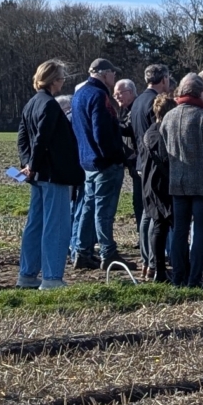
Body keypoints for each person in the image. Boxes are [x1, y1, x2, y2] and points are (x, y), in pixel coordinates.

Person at [17, 61, 85, 289]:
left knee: (34, 224)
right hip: (53, 174)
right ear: (54, 80)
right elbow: (42, 140)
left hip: (37, 176)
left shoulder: (31, 104)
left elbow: (23, 138)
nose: (64, 81)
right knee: (56, 226)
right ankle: (52, 277)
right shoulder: (50, 105)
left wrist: (27, 165)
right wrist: (34, 165)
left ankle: (27, 275)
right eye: (62, 77)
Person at [159, 73, 203, 286]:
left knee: (180, 231)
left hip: (178, 182)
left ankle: (179, 277)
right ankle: (195, 279)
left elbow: (163, 150)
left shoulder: (168, 117)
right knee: (200, 232)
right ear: (200, 92)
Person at [68, 58, 132, 273]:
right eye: (113, 74)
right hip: (104, 162)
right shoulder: (99, 96)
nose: (114, 79)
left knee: (88, 207)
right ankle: (108, 252)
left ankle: (82, 251)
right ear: (105, 74)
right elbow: (101, 131)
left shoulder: (79, 95)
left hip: (87, 162)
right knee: (104, 211)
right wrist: (115, 156)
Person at [130, 64, 170, 275]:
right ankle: (152, 261)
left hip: (141, 163)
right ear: (163, 79)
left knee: (147, 214)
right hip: (152, 166)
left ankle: (148, 261)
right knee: (153, 217)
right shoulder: (152, 103)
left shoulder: (137, 101)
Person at [136, 88, 176, 283]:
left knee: (158, 225)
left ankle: (158, 268)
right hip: (162, 183)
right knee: (167, 225)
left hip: (149, 183)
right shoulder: (163, 133)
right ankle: (167, 268)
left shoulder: (149, 131)